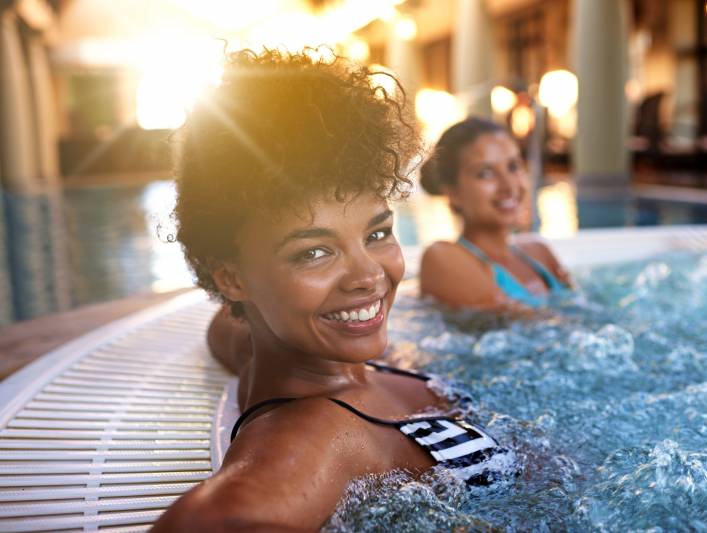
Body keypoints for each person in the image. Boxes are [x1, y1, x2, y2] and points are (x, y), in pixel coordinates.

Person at [151, 49, 508, 532]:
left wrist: (249, 310)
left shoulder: (277, 353)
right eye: (313, 252)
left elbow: (227, 328)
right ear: (230, 275)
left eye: (377, 234)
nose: (368, 276)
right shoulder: (312, 436)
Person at [419, 118, 572, 310]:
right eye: (486, 173)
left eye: (513, 166)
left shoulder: (539, 251)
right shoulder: (443, 258)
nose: (508, 186)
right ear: (453, 192)